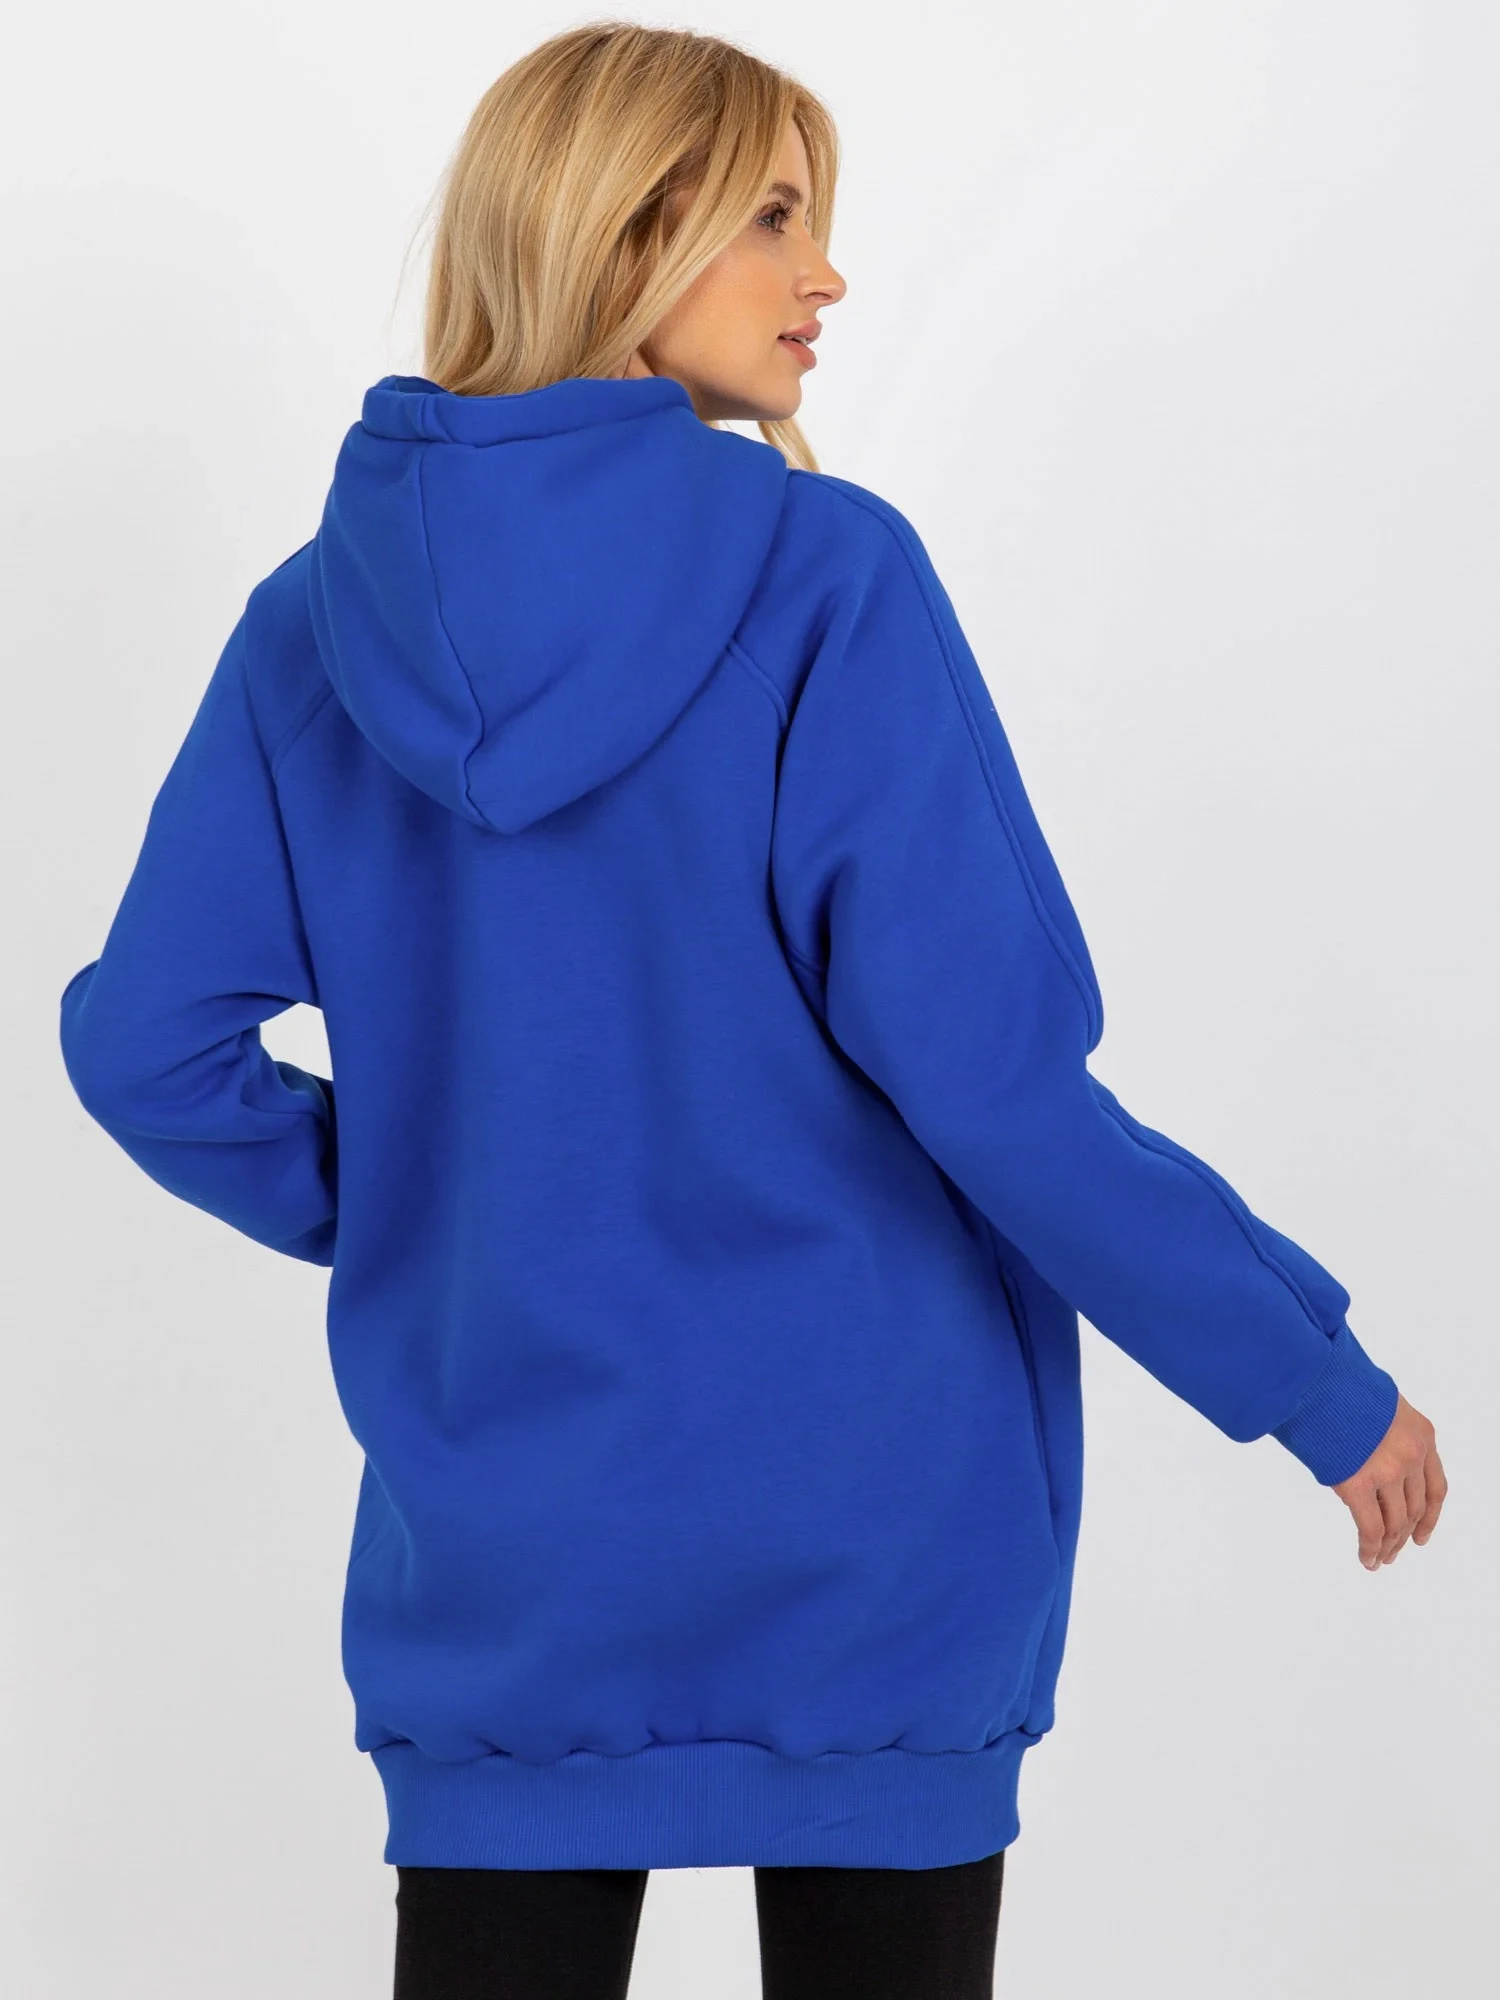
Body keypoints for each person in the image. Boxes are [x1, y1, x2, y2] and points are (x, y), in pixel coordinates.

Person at [56, 20, 1445, 2000]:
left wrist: (440, 1206)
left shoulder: (310, 627)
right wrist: (1310, 1379)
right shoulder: (825, 579)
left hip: (508, 1566)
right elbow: (994, 1081)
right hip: (878, 1539)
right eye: (775, 217)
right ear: (624, 234)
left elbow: (147, 1048)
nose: (828, 273)